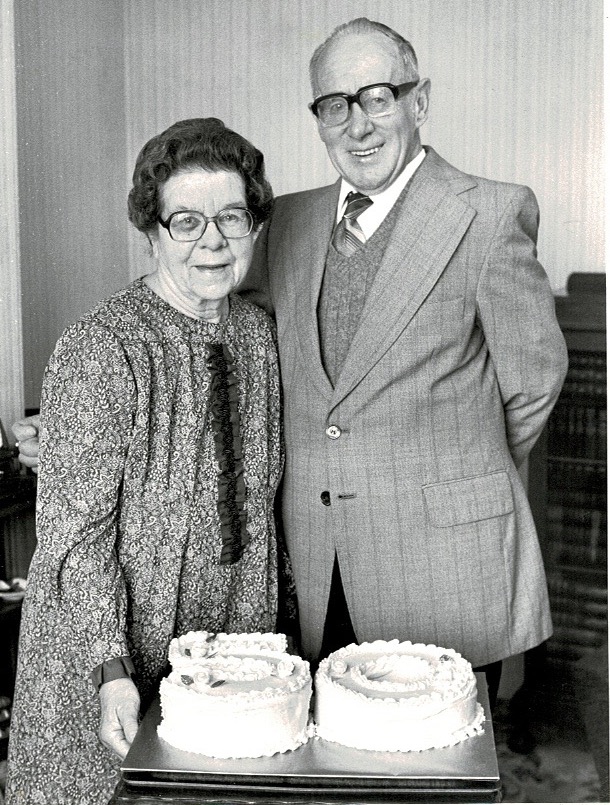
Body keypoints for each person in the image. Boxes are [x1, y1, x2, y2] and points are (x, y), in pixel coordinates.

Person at [14, 17, 568, 709]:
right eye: (335, 105)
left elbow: (534, 381)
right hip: (313, 568)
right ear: (318, 119)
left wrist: (454, 469)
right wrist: (72, 435)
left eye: (379, 97)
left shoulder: (489, 213)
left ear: (418, 101)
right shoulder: (291, 224)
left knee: (430, 767)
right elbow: (204, 323)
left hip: (442, 567)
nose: (358, 124)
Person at [7, 117, 283, 805]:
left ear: (254, 224)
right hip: (109, 653)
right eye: (186, 221)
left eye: (230, 217)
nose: (212, 241)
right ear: (153, 231)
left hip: (225, 642)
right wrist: (111, 666)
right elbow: (76, 538)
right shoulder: (103, 347)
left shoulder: (259, 334)